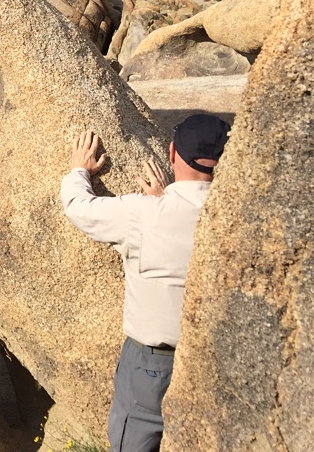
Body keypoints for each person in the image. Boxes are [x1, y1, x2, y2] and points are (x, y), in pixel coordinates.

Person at [61, 114, 231, 452]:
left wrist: (79, 169)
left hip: (153, 366)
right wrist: (169, 197)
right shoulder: (237, 216)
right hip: (218, 360)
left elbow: (78, 206)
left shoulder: (143, 213)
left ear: (171, 153)